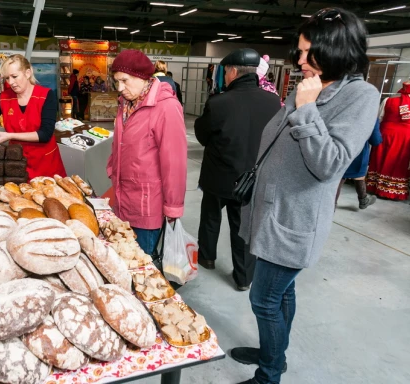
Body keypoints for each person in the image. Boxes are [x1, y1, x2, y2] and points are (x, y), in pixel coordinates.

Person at [231, 8, 380, 384]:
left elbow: (329, 164)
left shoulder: (360, 95)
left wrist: (308, 108)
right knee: (281, 293)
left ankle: (269, 374)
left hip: (293, 220)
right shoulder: (313, 85)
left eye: (305, 52)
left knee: (263, 299)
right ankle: (273, 355)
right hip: (271, 210)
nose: (298, 61)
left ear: (335, 49)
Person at [194, 48, 281, 291]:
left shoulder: (219, 102)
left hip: (218, 177)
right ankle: (243, 278)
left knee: (211, 217)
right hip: (252, 179)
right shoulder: (273, 101)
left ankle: (207, 257)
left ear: (232, 71)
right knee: (243, 228)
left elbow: (202, 135)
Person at [106, 49, 187, 255]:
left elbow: (174, 163)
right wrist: (113, 168)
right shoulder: (125, 104)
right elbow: (120, 142)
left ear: (142, 77)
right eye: (117, 81)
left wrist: (173, 207)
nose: (119, 87)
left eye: (124, 80)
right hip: (122, 197)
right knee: (123, 258)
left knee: (141, 263)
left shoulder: (166, 107)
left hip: (147, 204)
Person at [0, 54, 66, 179]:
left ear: (27, 73)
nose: (11, 83)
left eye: (14, 76)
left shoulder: (46, 95)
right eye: (7, 78)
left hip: (46, 164)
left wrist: (10, 136)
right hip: (17, 163)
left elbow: (45, 134)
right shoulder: (3, 98)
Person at [366, 79, 410, 200]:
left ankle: (375, 187)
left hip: (386, 132)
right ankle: (393, 191)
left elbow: (379, 117)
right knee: (398, 161)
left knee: (380, 157)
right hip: (405, 137)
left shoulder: (388, 101)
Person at [335, 119, 382, 209]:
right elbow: (376, 140)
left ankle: (363, 199)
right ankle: (363, 200)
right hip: (358, 152)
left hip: (337, 147)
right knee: (357, 175)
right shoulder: (370, 112)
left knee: (339, 177)